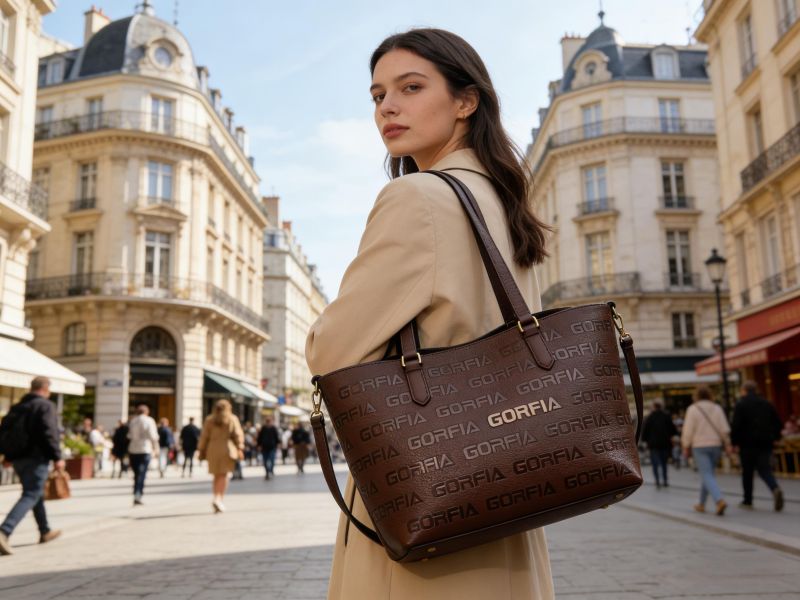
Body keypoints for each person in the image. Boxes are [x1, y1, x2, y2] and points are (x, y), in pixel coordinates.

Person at [304, 28, 554, 599]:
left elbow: (331, 351)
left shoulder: (416, 197)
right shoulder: (503, 199)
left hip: (427, 490)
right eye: (377, 95)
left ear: (466, 101)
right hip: (507, 488)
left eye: (410, 87)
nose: (388, 106)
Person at [0, 377, 64, 556]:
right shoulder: (45, 406)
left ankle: (45, 531)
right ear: (45, 388)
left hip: (18, 459)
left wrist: (8, 456)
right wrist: (57, 457)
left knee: (36, 493)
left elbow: (4, 431)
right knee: (31, 493)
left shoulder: (17, 406)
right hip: (36, 458)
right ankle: (4, 531)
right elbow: (49, 432)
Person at [731, 381, 784, 511]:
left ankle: (748, 500)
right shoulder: (766, 403)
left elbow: (736, 426)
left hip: (747, 444)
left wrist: (734, 442)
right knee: (764, 469)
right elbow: (778, 423)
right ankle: (774, 488)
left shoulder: (741, 404)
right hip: (765, 443)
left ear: (744, 390)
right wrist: (775, 437)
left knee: (747, 472)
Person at [681, 387, 732, 515]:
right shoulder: (717, 408)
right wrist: (727, 444)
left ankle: (719, 500)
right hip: (716, 445)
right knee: (708, 474)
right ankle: (701, 504)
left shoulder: (693, 409)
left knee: (707, 474)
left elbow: (688, 430)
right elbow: (724, 429)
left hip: (699, 446)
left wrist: (686, 446)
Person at [198, 399, 244, 513]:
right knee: (224, 475)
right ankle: (219, 498)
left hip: (212, 449)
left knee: (216, 475)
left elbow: (204, 437)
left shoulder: (209, 419)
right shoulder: (232, 418)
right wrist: (240, 448)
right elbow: (237, 435)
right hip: (227, 449)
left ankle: (216, 496)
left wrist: (201, 450)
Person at [127, 403, 159, 506]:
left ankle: (136, 492)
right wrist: (156, 449)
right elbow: (153, 436)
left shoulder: (133, 421)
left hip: (133, 449)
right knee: (142, 473)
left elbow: (129, 436)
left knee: (136, 473)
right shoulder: (149, 420)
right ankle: (138, 493)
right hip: (145, 449)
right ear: (146, 412)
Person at [641, 401, 677, 488]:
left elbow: (645, 432)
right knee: (664, 463)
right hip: (665, 444)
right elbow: (673, 430)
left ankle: (657, 481)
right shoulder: (666, 416)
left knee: (655, 464)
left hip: (653, 445)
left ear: (653, 407)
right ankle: (665, 480)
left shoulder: (649, 417)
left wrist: (645, 440)